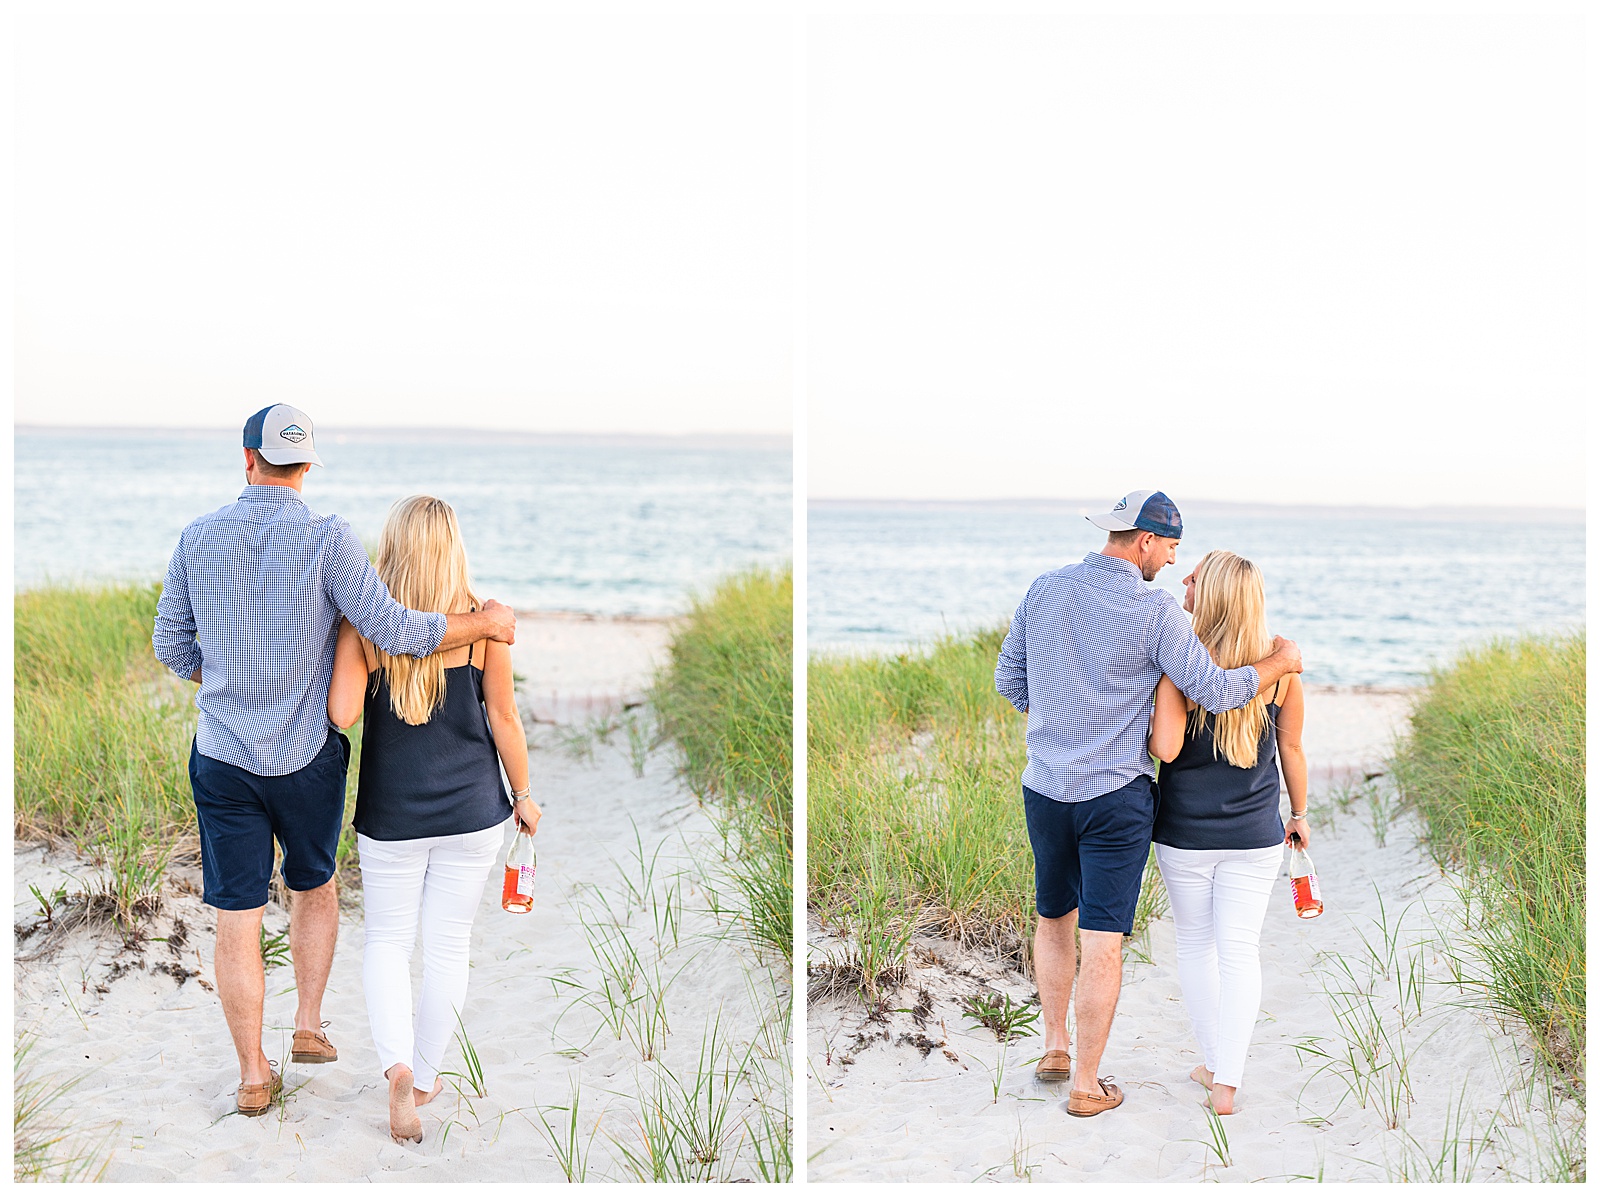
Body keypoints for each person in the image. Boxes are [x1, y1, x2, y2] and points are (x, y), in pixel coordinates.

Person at [152, 405, 518, 1119]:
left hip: (224, 754)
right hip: (305, 756)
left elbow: (172, 646)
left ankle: (254, 1072)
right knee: (313, 885)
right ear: (308, 466)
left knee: (238, 912)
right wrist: (485, 623)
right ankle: (309, 1024)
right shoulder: (329, 539)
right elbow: (393, 629)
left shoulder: (197, 537)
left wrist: (227, 680)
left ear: (248, 457)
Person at [994, 489, 1302, 1118]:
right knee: (1104, 939)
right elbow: (1213, 691)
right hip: (1116, 796)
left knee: (1053, 916)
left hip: (1045, 787)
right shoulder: (1152, 607)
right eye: (1168, 548)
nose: (1170, 562)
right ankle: (1085, 1086)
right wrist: (1276, 662)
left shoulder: (1043, 587)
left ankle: (1054, 1049)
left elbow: (1010, 680)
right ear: (1144, 541)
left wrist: (1064, 725)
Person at [328, 495, 541, 1144]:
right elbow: (504, 718)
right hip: (473, 812)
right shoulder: (485, 625)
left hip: (391, 814)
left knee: (388, 941)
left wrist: (350, 645)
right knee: (448, 944)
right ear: (455, 548)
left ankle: (394, 1063)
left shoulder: (364, 626)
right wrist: (524, 794)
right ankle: (422, 1078)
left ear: (390, 549)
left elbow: (341, 716)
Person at [1147, 550, 1308, 1116]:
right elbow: (1290, 748)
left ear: (1211, 594)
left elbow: (1163, 749)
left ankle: (1215, 1063)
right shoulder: (1281, 669)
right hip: (1255, 835)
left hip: (1183, 835)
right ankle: (1226, 1084)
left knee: (1196, 946)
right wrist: (1300, 814)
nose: (1182, 579)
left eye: (1194, 575)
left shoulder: (1182, 665)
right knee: (1241, 950)